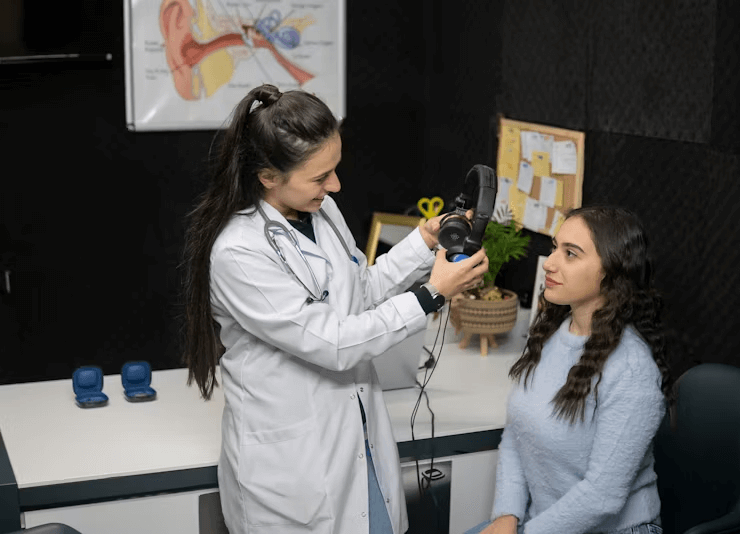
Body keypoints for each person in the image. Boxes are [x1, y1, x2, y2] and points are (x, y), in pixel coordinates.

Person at [181, 83, 489, 534]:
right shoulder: (238, 252)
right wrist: (432, 295)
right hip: (295, 471)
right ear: (268, 175)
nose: (336, 185)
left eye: (334, 170)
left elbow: (359, 292)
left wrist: (424, 243)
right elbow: (335, 342)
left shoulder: (320, 211)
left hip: (357, 443)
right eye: (320, 176)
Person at [467, 206, 674, 534]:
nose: (549, 262)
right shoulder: (550, 335)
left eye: (571, 254)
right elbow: (517, 434)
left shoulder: (632, 371)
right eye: (554, 248)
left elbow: (601, 497)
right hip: (544, 524)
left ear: (611, 271)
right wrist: (506, 515)